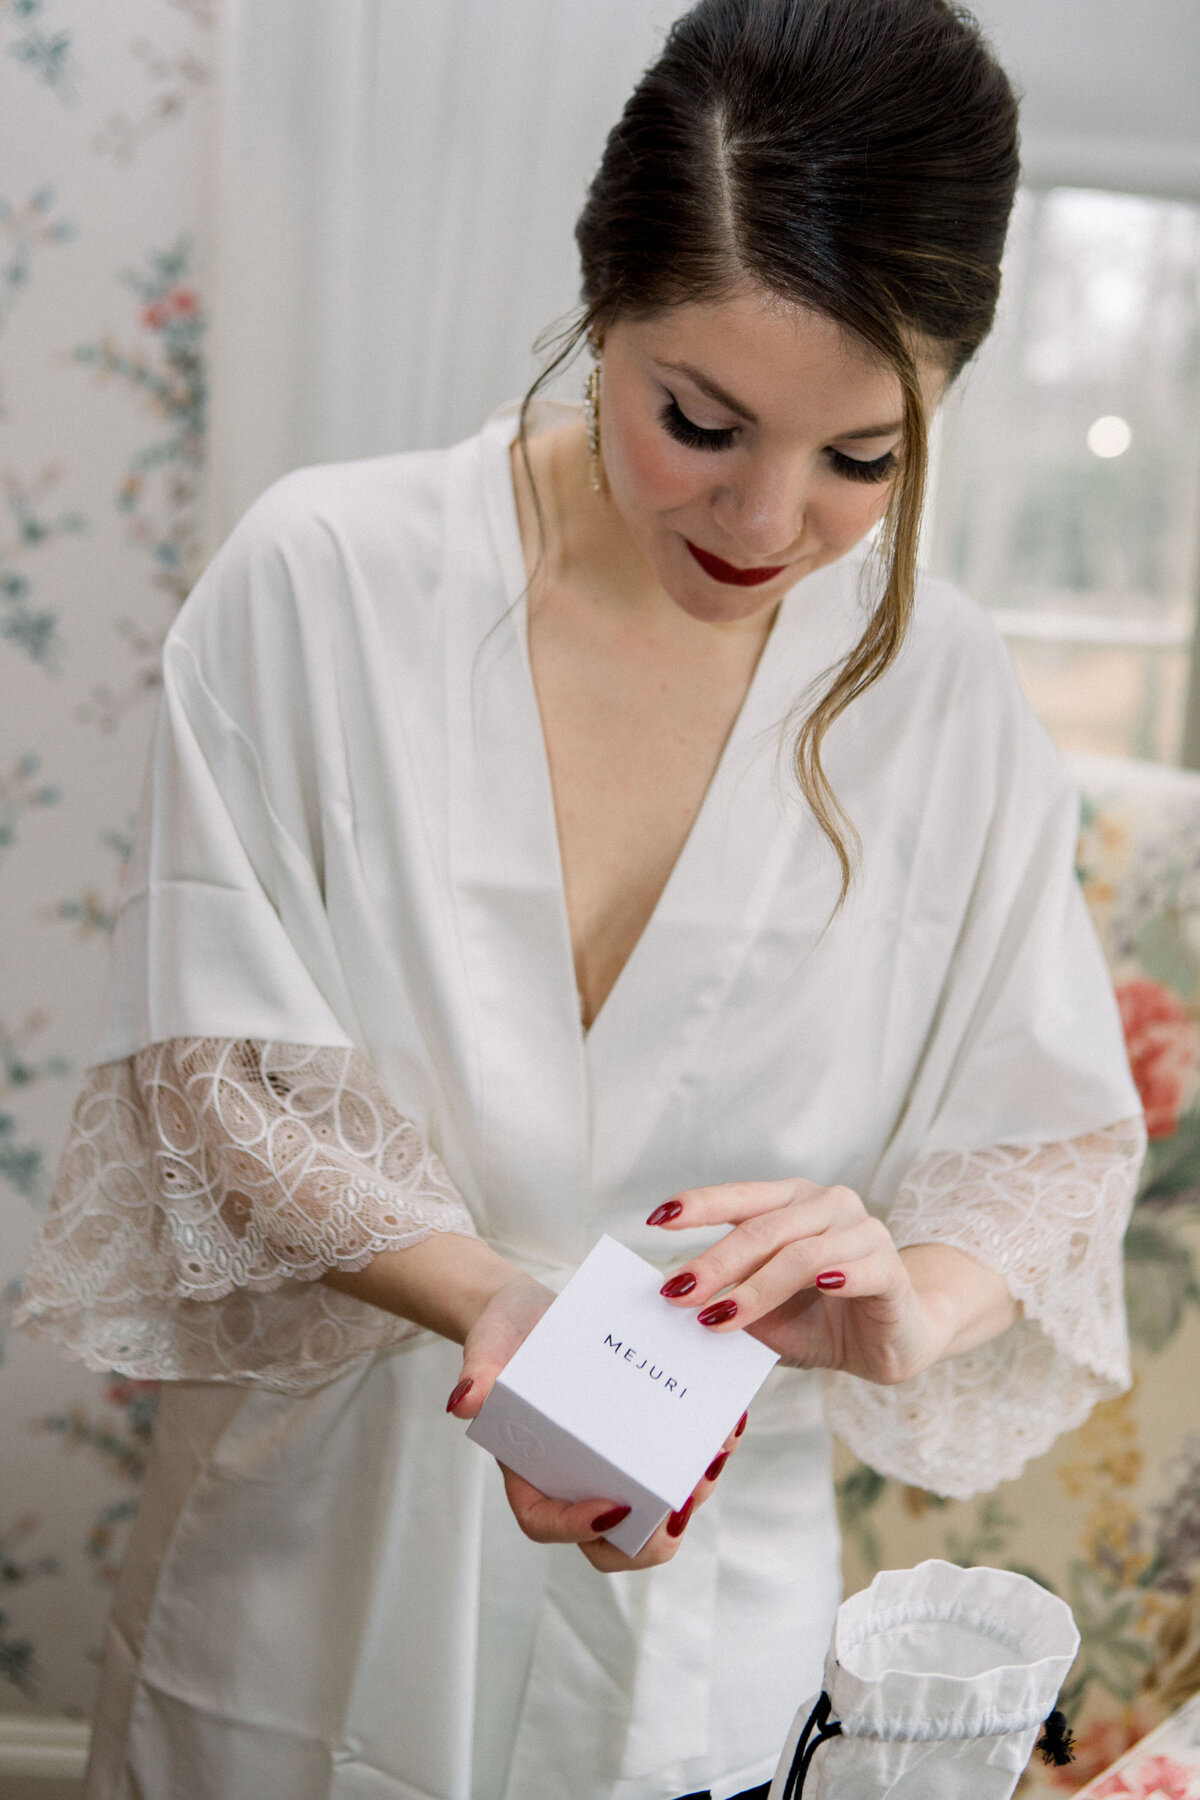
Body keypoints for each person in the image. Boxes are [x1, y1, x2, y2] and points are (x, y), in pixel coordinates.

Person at [16, 1, 1145, 1796]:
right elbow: (208, 1064)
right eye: (700, 419)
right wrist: (485, 1300)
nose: (771, 519)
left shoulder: (942, 686)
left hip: (707, 1644)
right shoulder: (327, 581)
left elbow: (1050, 1142)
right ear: (601, 303)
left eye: (869, 459)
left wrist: (906, 1298)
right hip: (312, 1597)